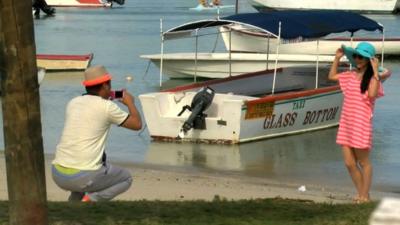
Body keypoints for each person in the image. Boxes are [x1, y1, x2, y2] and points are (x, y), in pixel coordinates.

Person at [52, 65, 142, 202]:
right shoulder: (107, 107)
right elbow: (137, 125)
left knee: (86, 169)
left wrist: (107, 97)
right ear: (105, 86)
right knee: (126, 178)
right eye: (109, 85)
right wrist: (130, 103)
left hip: (58, 173)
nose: (111, 89)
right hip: (83, 176)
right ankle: (92, 199)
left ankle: (75, 205)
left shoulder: (73, 103)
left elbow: (92, 106)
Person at [328, 42, 388, 203]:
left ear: (369, 59)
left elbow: (373, 94)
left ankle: (363, 196)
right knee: (349, 163)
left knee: (364, 162)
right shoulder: (350, 75)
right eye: (356, 56)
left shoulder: (373, 79)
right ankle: (363, 194)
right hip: (346, 124)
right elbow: (332, 77)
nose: (358, 59)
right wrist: (337, 59)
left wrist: (376, 71)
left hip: (361, 125)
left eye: (361, 57)